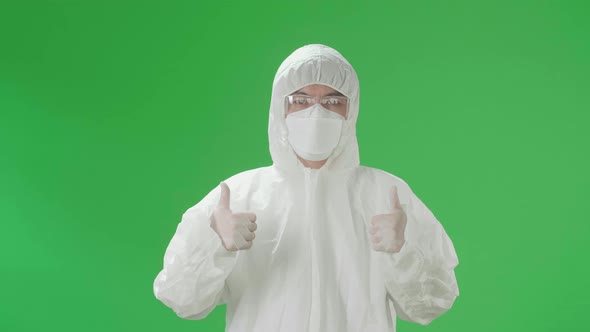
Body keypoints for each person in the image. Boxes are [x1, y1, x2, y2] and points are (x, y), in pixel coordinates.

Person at [153, 44, 459, 331]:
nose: (316, 112)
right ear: (279, 109)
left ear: (350, 111)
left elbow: (429, 307)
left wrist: (404, 251)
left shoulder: (386, 195)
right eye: (300, 100)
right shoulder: (238, 196)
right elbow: (182, 300)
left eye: (332, 101)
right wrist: (214, 244)